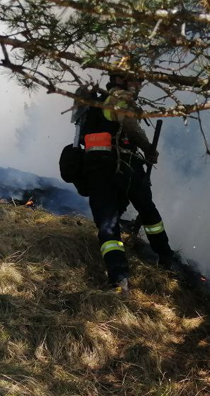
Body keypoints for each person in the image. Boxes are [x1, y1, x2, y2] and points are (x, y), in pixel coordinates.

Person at [79, 72, 174, 292]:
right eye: (136, 80)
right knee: (148, 213)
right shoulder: (119, 97)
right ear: (121, 80)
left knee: (108, 227)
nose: (139, 85)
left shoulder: (94, 103)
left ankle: (119, 279)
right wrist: (148, 149)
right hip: (124, 166)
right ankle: (166, 259)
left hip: (97, 171)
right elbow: (129, 124)